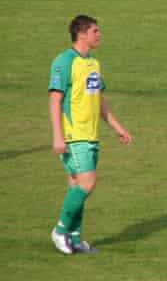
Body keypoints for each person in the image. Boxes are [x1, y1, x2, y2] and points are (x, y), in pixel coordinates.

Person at [48, 15, 133, 255]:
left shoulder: (93, 63)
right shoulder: (65, 61)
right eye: (95, 31)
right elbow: (55, 100)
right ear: (82, 34)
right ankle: (60, 231)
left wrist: (118, 127)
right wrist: (58, 136)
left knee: (77, 185)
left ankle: (74, 238)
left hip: (91, 134)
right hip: (74, 135)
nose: (99, 34)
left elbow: (99, 100)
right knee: (88, 183)